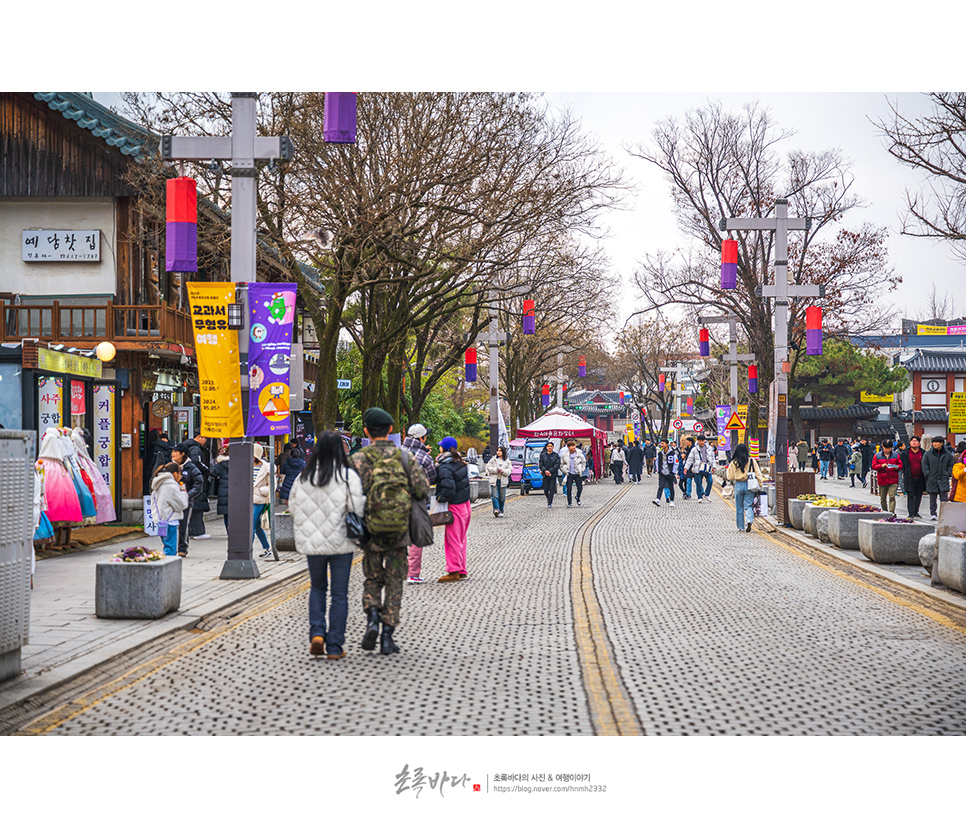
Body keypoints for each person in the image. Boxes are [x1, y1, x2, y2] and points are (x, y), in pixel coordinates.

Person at [351, 408, 429, 653]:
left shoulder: (357, 459)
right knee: (395, 581)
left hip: (370, 530)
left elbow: (349, 495)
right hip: (399, 530)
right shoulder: (404, 457)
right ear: (391, 430)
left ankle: (372, 617)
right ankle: (387, 636)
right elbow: (422, 489)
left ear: (366, 431)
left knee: (373, 578)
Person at [289, 431, 366, 660]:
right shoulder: (347, 476)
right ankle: (334, 646)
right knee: (340, 594)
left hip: (313, 543)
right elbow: (357, 508)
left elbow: (293, 507)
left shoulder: (304, 477)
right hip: (341, 542)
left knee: (317, 588)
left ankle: (316, 634)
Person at [402, 423, 438, 583]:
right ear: (421, 438)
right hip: (417, 500)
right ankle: (413, 574)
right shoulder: (424, 457)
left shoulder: (397, 453)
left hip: (396, 501)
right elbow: (433, 478)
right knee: (416, 537)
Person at [435, 436, 471, 582]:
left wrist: (439, 499)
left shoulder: (444, 466)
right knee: (461, 538)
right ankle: (461, 568)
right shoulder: (461, 463)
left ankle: (454, 571)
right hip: (465, 505)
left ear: (444, 448)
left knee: (452, 540)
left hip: (454, 506)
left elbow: (449, 490)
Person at [171, 443, 204, 557]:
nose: (173, 454)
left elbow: (198, 483)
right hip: (171, 501)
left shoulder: (191, 467)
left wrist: (189, 495)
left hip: (186, 501)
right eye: (172, 452)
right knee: (169, 525)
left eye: (175, 452)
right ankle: (169, 548)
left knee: (184, 525)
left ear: (183, 454)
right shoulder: (170, 466)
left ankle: (182, 549)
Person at [151, 460, 189, 557]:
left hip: (160, 520)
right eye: (180, 473)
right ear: (175, 474)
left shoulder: (158, 484)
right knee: (170, 549)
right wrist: (184, 493)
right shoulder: (171, 486)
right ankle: (167, 569)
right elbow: (181, 504)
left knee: (167, 546)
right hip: (170, 520)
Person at [726, 443, 764, 532]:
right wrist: (760, 485)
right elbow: (758, 473)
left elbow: (729, 476)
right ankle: (749, 520)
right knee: (748, 505)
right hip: (750, 485)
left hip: (738, 485)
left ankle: (740, 527)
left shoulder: (733, 462)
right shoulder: (751, 461)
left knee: (739, 507)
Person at [923, 435, 954, 520]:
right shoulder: (928, 453)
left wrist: (948, 473)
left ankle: (945, 513)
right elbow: (924, 463)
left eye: (937, 442)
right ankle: (933, 513)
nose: (935, 444)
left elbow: (951, 465)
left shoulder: (947, 454)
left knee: (944, 498)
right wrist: (927, 473)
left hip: (943, 478)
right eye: (934, 442)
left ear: (941, 443)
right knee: (932, 498)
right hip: (932, 478)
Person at [252, 443, 273, 557]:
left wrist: (263, 491)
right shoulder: (247, 465)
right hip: (248, 499)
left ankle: (247, 550)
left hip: (260, 499)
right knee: (256, 525)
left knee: (251, 522)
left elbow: (272, 485)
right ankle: (266, 547)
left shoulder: (266, 468)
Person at [871, 438, 903, 514]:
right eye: (886, 448)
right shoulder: (877, 455)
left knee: (892, 497)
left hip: (893, 479)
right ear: (883, 447)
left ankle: (891, 513)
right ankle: (885, 512)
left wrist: (897, 467)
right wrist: (881, 466)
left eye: (889, 448)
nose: (887, 450)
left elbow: (900, 465)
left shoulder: (896, 455)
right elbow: (874, 466)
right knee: (883, 498)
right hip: (882, 479)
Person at [900, 435, 926, 519]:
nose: (914, 442)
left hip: (920, 477)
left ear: (919, 443)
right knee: (910, 495)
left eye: (916, 441)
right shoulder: (905, 453)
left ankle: (916, 512)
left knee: (919, 495)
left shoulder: (923, 453)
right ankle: (911, 513)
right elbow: (902, 465)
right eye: (912, 441)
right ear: (910, 442)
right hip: (909, 477)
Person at [686, 433, 715, 503]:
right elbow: (690, 459)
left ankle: (707, 494)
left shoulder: (709, 448)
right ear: (697, 441)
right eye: (700, 441)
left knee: (710, 481)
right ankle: (699, 497)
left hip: (707, 467)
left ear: (705, 441)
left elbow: (712, 458)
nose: (701, 442)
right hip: (698, 468)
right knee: (699, 483)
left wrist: (713, 467)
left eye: (703, 441)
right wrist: (686, 468)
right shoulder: (694, 449)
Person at [207, 445, 231, 532]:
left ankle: (229, 531)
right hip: (236, 489)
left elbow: (212, 473)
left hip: (223, 490)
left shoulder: (220, 464)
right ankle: (236, 531)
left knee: (226, 512)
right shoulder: (239, 462)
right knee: (236, 512)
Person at [486, 445, 512, 517]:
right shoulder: (493, 460)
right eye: (498, 451)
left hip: (503, 480)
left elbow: (510, 470)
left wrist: (503, 471)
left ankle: (501, 510)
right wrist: (496, 470)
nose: (498, 452)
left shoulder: (507, 461)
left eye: (500, 451)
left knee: (502, 497)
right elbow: (488, 467)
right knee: (495, 495)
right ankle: (496, 509)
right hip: (494, 480)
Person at [560, 438, 586, 507]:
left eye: (574, 445)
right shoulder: (565, 455)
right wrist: (564, 470)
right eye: (571, 446)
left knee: (580, 488)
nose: (573, 447)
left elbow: (584, 462)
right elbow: (561, 464)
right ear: (568, 447)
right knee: (569, 489)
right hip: (569, 473)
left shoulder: (579, 454)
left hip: (577, 473)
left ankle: (577, 497)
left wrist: (582, 469)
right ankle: (569, 502)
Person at [652, 438, 677, 507]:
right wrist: (658, 470)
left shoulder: (672, 453)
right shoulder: (660, 453)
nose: (661, 445)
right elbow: (657, 462)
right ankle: (658, 499)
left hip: (670, 472)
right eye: (661, 443)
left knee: (671, 487)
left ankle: (672, 501)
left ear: (667, 444)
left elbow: (676, 463)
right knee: (661, 486)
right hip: (662, 472)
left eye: (663, 443)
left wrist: (673, 472)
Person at [539, 441, 561, 506]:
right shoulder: (543, 455)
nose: (550, 447)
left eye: (551, 446)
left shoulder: (556, 455)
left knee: (552, 489)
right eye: (548, 446)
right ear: (546, 447)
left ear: (553, 447)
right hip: (545, 475)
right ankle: (548, 498)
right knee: (545, 489)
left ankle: (550, 502)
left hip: (552, 474)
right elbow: (541, 464)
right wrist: (545, 471)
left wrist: (550, 471)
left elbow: (557, 464)